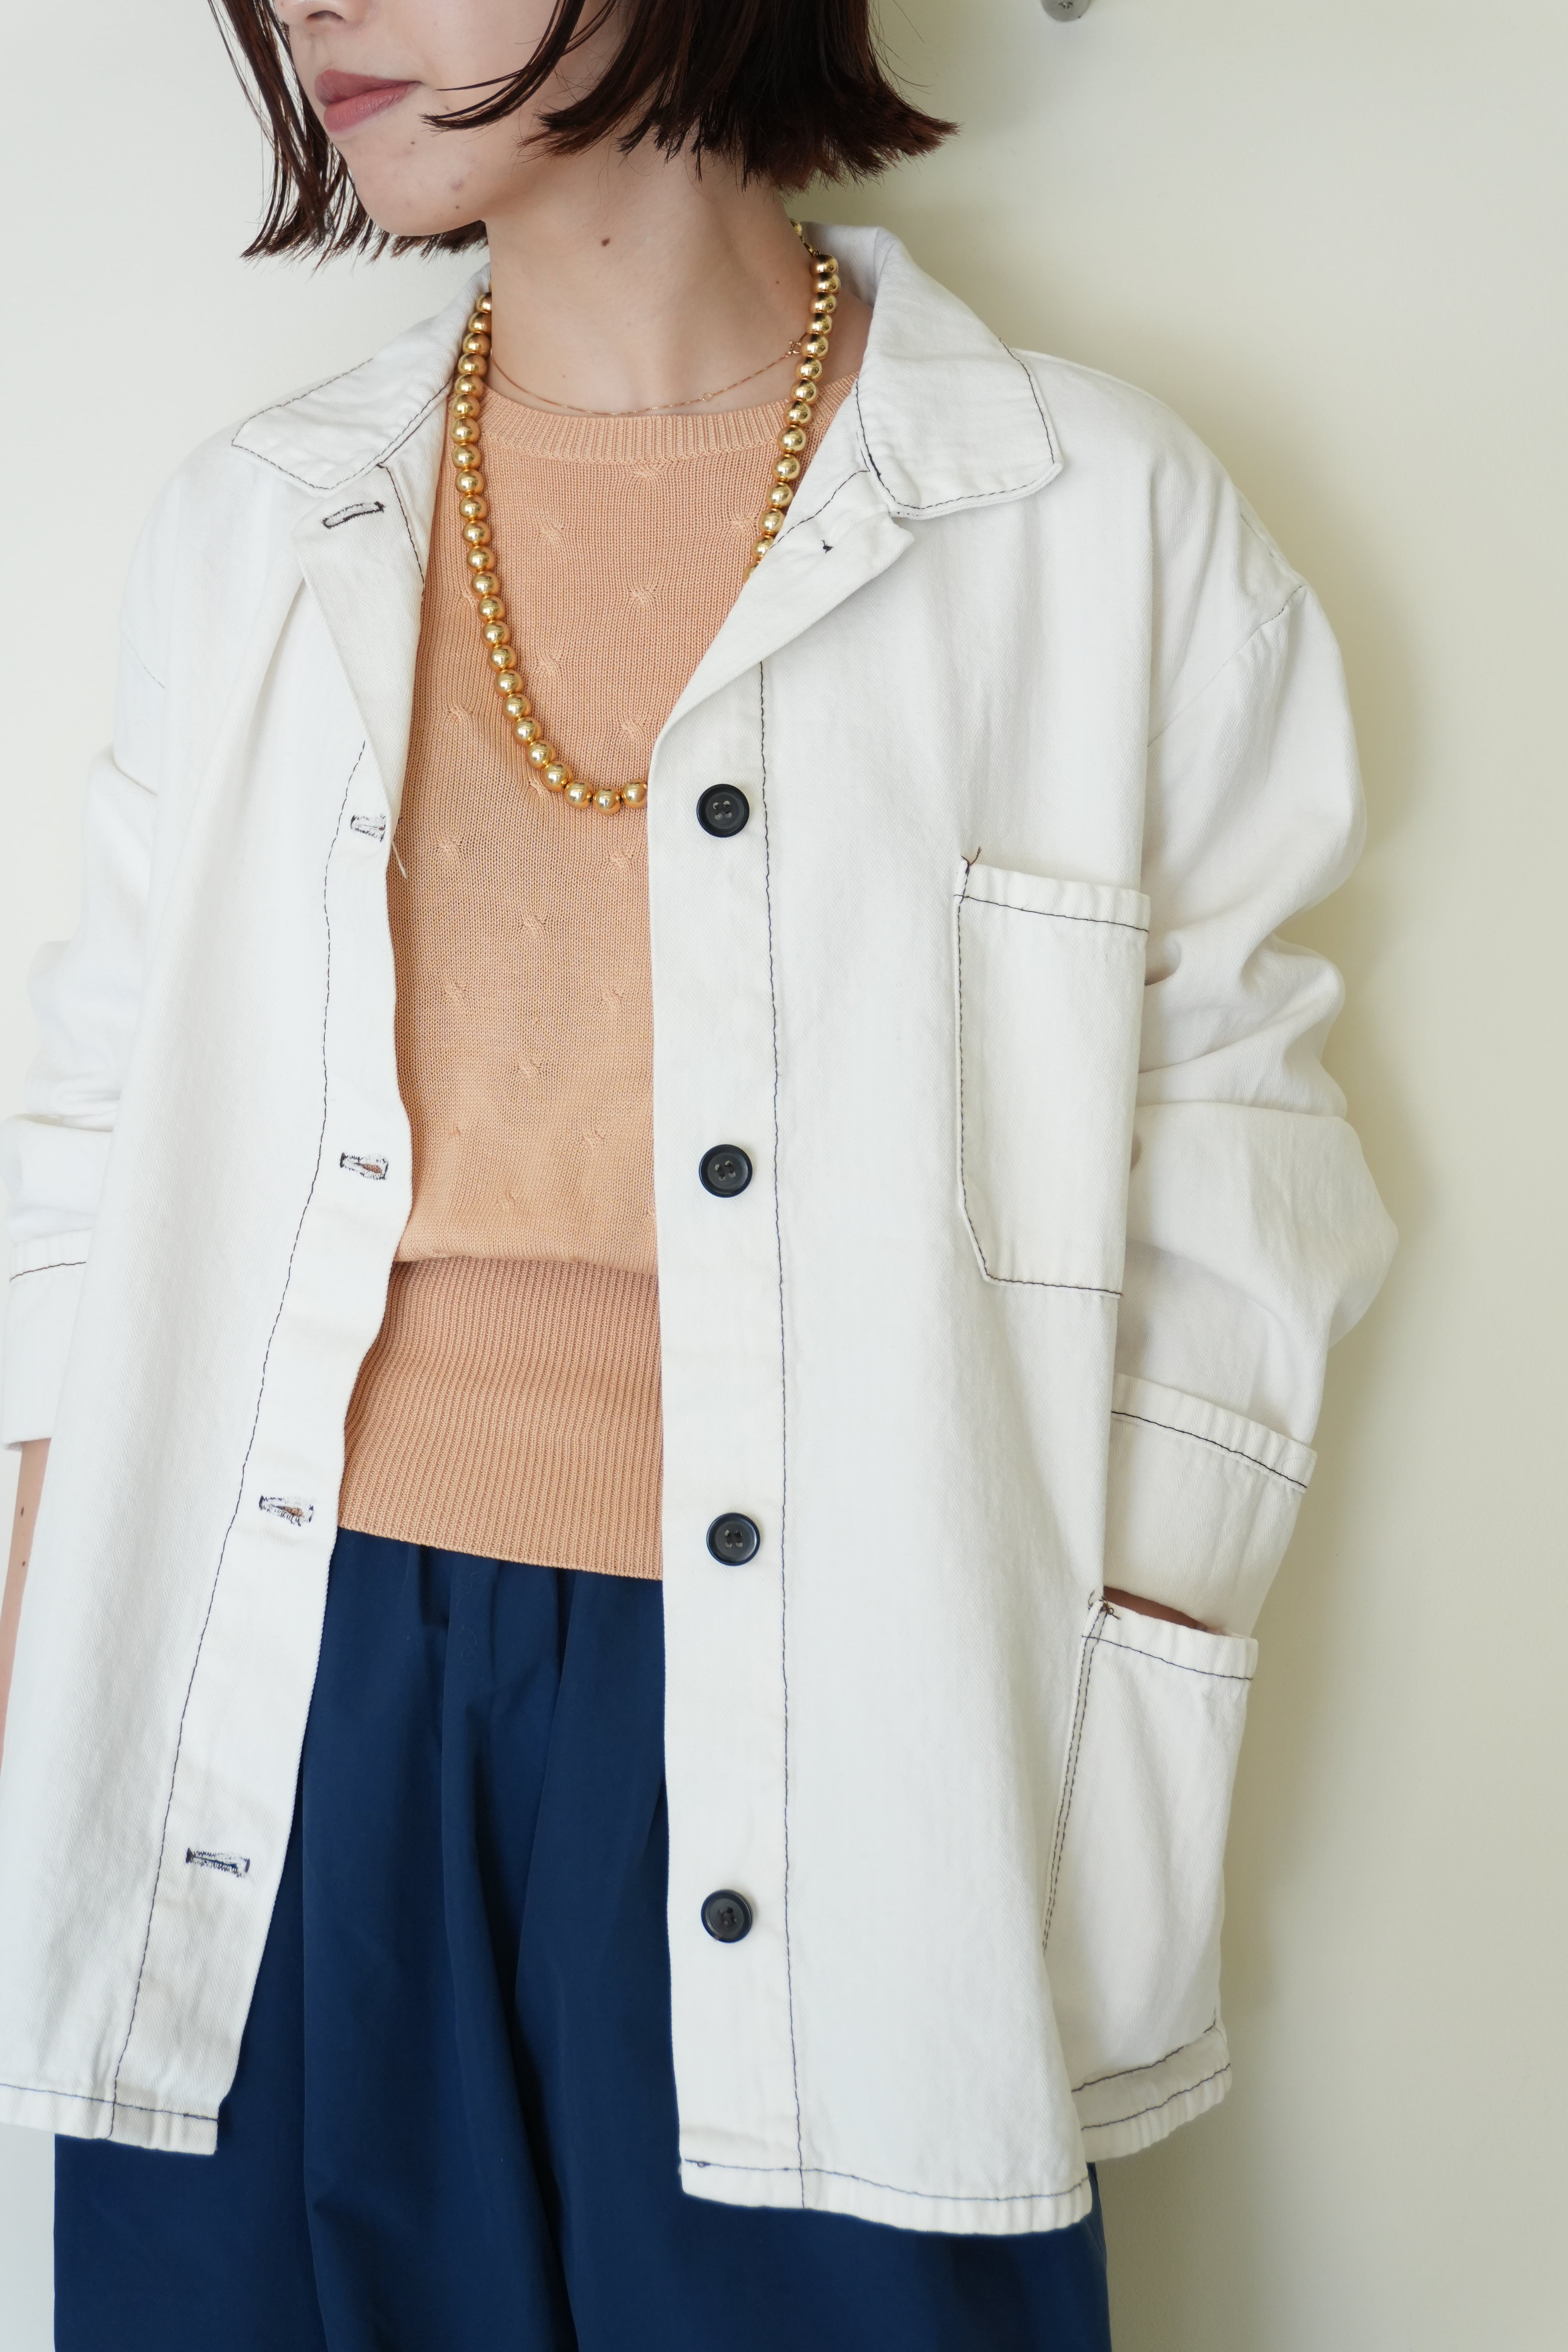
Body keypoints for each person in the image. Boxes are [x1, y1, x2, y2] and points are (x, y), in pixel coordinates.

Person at [0, 1, 1396, 2344]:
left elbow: (1237, 1207)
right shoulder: (257, 528)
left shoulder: (1096, 524)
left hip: (873, 1716)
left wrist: (1096, 1744)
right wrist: (48, 1728)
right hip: (281, 1711)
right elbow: (91, 1152)